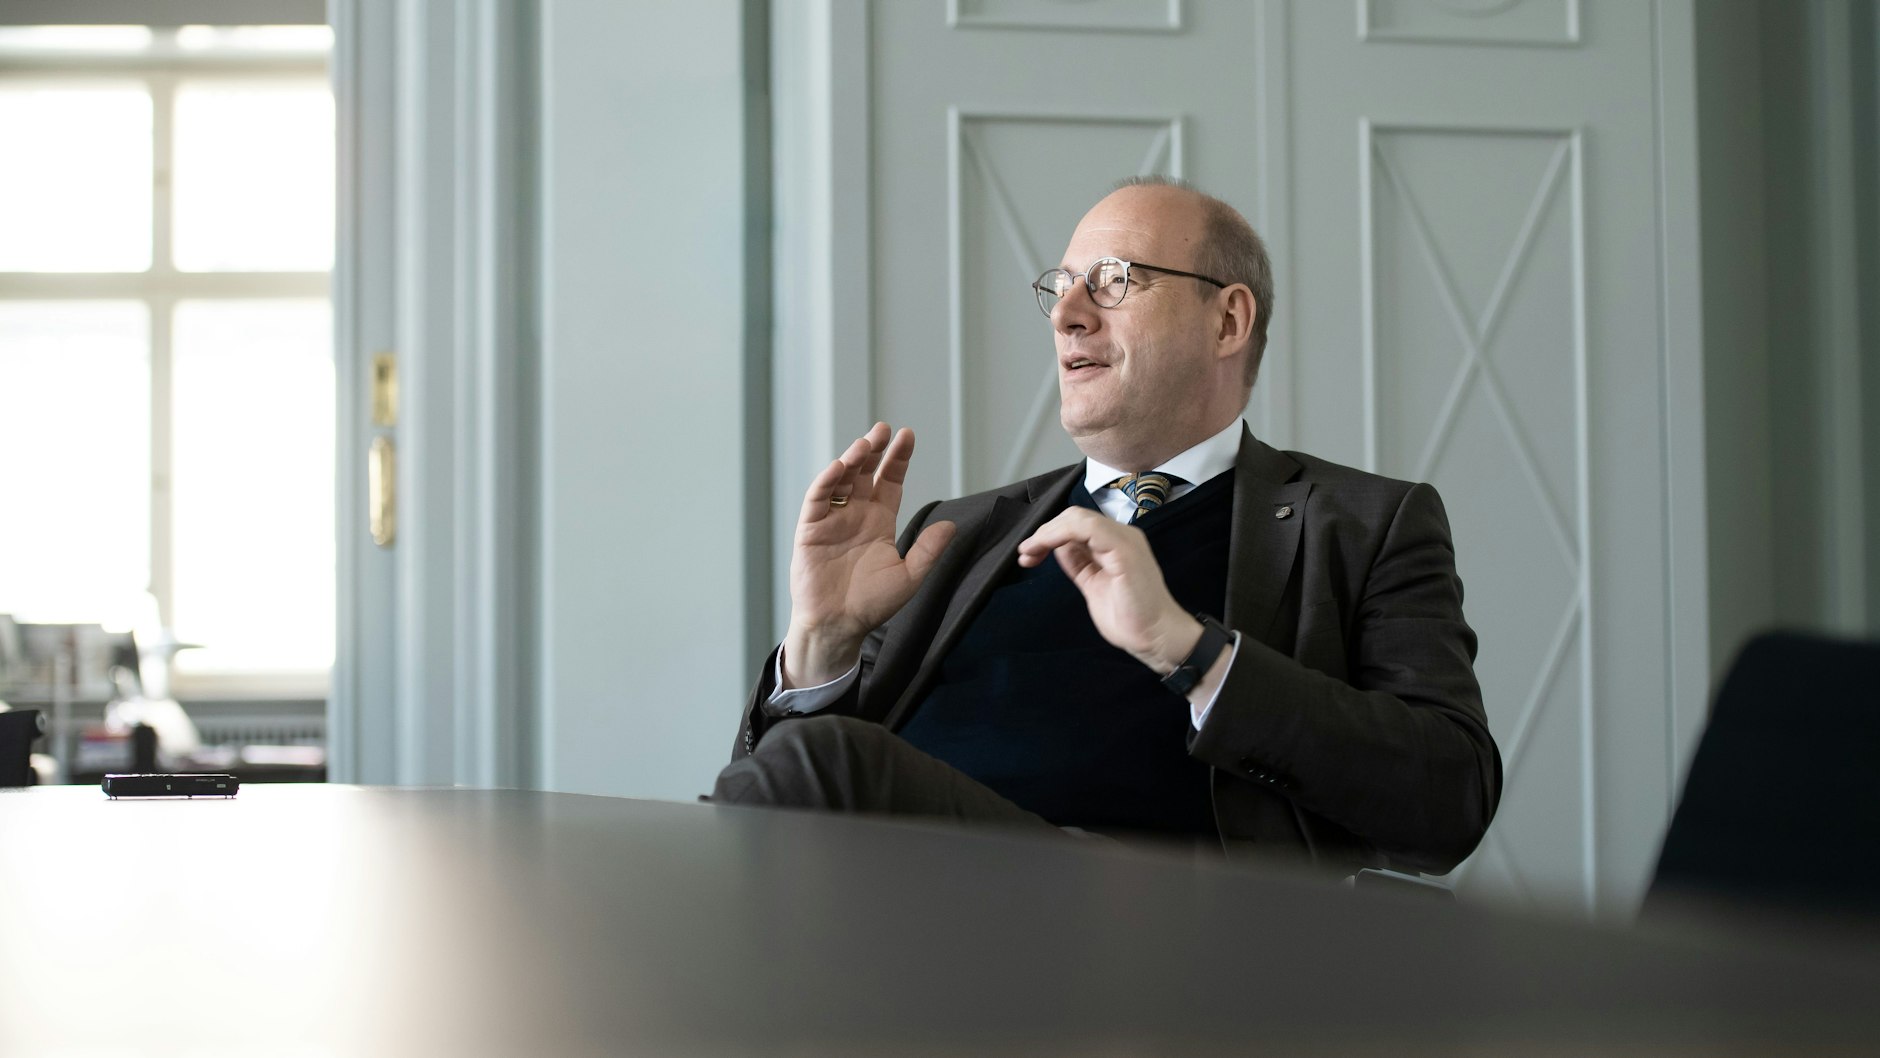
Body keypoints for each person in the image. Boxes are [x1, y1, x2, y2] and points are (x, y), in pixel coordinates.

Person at [714, 177, 1501, 876]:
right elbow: (778, 799)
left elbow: (1450, 803)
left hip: (1166, 937)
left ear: (1227, 321)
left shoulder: (1364, 524)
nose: (1066, 314)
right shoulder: (957, 531)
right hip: (892, 910)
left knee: (815, 773)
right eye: (1059, 286)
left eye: (1114, 282)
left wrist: (1189, 652)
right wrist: (822, 645)